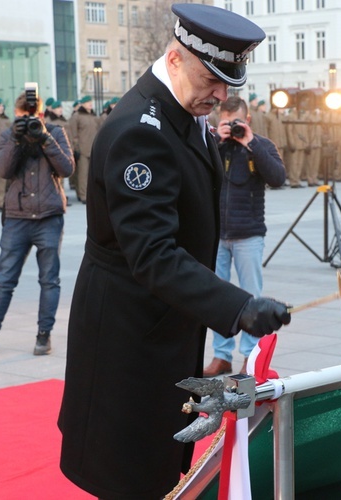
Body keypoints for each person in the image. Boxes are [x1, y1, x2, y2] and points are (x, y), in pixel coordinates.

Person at [57, 4, 291, 498]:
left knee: (157, 468)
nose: (222, 95)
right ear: (176, 59)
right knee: (129, 472)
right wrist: (238, 306)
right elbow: (153, 254)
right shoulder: (141, 130)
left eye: (229, 83)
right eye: (212, 78)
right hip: (128, 338)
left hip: (162, 326)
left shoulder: (179, 110)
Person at [0, 91, 74, 358]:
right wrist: (17, 138)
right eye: (23, 117)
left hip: (48, 217)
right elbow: (3, 171)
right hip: (17, 218)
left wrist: (45, 138)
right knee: (4, 281)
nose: (28, 121)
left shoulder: (56, 133)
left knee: (49, 280)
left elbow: (67, 168)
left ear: (40, 114)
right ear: (17, 115)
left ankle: (43, 335)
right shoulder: (7, 136)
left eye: (32, 116)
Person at [203, 96, 286, 377]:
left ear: (247, 120)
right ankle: (221, 356)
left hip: (248, 234)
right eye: (226, 123)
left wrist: (250, 143)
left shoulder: (260, 145)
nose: (232, 127)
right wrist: (218, 141)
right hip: (216, 234)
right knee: (216, 297)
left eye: (237, 122)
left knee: (252, 298)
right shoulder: (211, 144)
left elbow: (278, 178)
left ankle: (250, 358)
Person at [66, 95, 98, 203]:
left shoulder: (93, 116)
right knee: (83, 174)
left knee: (91, 174)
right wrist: (76, 148)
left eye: (90, 101)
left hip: (93, 148)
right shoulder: (77, 116)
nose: (90, 103)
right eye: (87, 102)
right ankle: (83, 195)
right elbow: (73, 134)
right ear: (83, 104)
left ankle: (90, 194)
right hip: (83, 149)